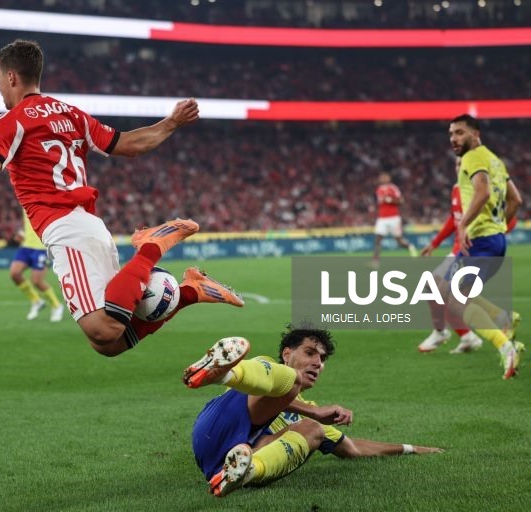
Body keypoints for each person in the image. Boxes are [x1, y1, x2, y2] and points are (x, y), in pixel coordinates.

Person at [0, 39, 243, 356]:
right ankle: (190, 292)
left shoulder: (10, 122)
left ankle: (154, 246)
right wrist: (171, 123)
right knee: (109, 343)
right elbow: (129, 144)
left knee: (103, 330)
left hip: (65, 227)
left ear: (11, 76)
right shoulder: (71, 114)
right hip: (87, 224)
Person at [185, 328, 443, 498]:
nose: (317, 363)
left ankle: (245, 472)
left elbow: (352, 449)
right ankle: (226, 374)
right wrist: (316, 411)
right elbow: (284, 392)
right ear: (287, 353)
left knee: (313, 430)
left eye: (322, 358)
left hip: (238, 454)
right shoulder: (271, 368)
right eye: (310, 353)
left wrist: (410, 448)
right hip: (213, 430)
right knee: (287, 380)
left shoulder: (311, 413)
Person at [444, 114, 524, 378]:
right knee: (454, 290)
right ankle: (503, 318)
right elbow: (516, 200)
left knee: (453, 297)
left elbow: (483, 192)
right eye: (452, 134)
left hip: (480, 240)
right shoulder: (495, 160)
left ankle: (506, 347)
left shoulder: (473, 157)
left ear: (475, 133)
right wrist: (498, 225)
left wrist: (464, 224)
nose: (454, 138)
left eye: (460, 133)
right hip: (493, 239)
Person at [418, 158, 520, 354]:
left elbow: (509, 218)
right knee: (447, 291)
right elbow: (453, 218)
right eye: (456, 164)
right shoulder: (457, 188)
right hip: (458, 250)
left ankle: (456, 334)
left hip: (470, 249)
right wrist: (434, 243)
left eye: (462, 164)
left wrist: (494, 234)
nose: (459, 167)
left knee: (443, 290)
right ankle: (477, 330)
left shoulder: (480, 190)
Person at [11, 210, 64, 322]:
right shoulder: (25, 201)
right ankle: (37, 301)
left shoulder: (45, 201)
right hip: (27, 246)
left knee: (37, 281)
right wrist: (22, 233)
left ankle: (56, 305)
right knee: (15, 274)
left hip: (42, 248)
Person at [371, 172, 417, 267]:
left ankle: (410, 247)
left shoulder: (393, 188)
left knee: (399, 241)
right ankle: (375, 262)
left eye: (384, 177)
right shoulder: (378, 190)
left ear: (389, 178)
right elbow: (380, 204)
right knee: (378, 239)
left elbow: (401, 201)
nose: (383, 179)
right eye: (381, 177)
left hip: (393, 218)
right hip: (382, 218)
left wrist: (391, 200)